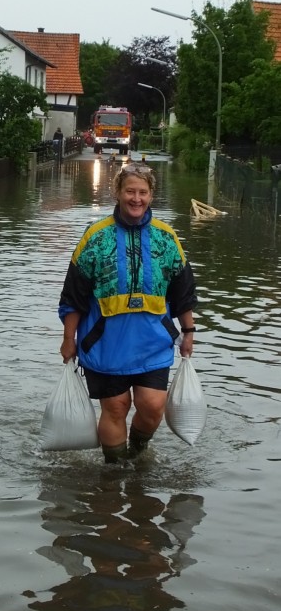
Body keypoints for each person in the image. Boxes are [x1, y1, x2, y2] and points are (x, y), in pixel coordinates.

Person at [58, 163, 197, 462]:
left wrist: (188, 332)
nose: (137, 199)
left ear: (151, 195)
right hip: (105, 342)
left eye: (143, 192)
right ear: (118, 193)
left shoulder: (166, 238)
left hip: (153, 340)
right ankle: (114, 472)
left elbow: (183, 291)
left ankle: (137, 452)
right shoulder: (95, 237)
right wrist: (69, 338)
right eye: (130, 191)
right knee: (116, 406)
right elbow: (74, 296)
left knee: (152, 406)